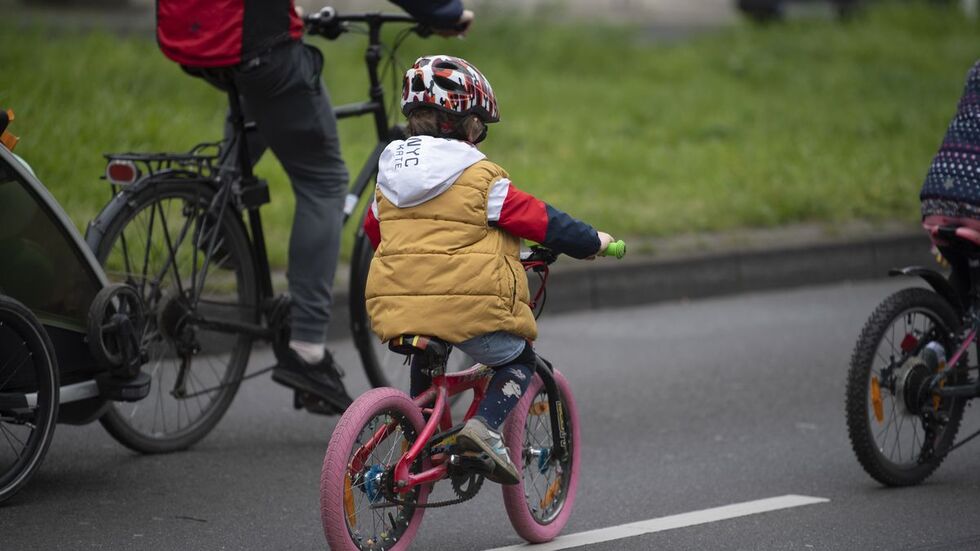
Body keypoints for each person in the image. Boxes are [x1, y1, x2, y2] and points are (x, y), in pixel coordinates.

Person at [154, 1, 474, 415]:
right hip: (256, 42)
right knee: (323, 179)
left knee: (260, 98)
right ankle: (306, 348)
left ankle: (217, 220)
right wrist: (441, 12)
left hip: (197, 36)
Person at [362, 55, 615, 484]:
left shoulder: (389, 176)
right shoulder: (480, 177)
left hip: (396, 306)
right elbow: (540, 220)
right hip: (468, 308)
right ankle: (484, 429)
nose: (480, 136)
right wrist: (592, 241)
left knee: (429, 356)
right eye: (479, 126)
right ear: (463, 125)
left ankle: (419, 438)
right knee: (519, 361)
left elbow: (377, 231)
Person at [920, 59, 980, 304]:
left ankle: (939, 339)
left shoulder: (976, 70)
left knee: (963, 274)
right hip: (974, 201)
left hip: (937, 196)